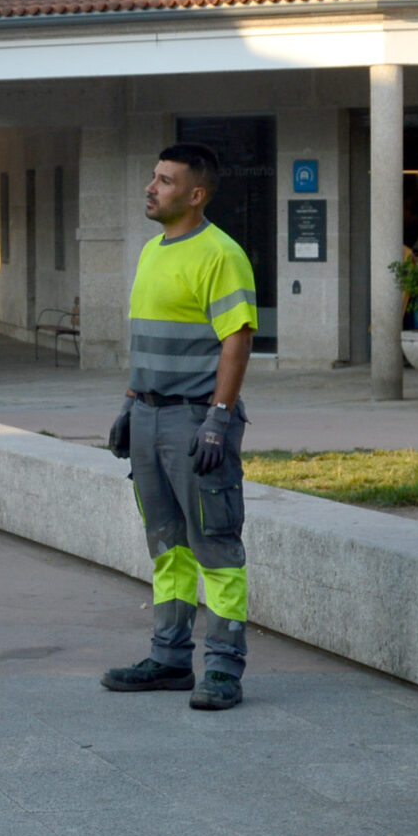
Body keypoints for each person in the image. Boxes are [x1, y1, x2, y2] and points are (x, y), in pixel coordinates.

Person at [101, 142, 257, 712]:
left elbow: (237, 339)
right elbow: (146, 339)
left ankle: (222, 668)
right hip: (147, 414)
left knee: (214, 542)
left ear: (195, 194)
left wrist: (219, 417)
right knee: (167, 546)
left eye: (164, 181)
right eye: (152, 176)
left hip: (195, 420)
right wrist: (128, 405)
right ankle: (169, 658)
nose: (151, 187)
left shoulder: (221, 254)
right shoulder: (151, 251)